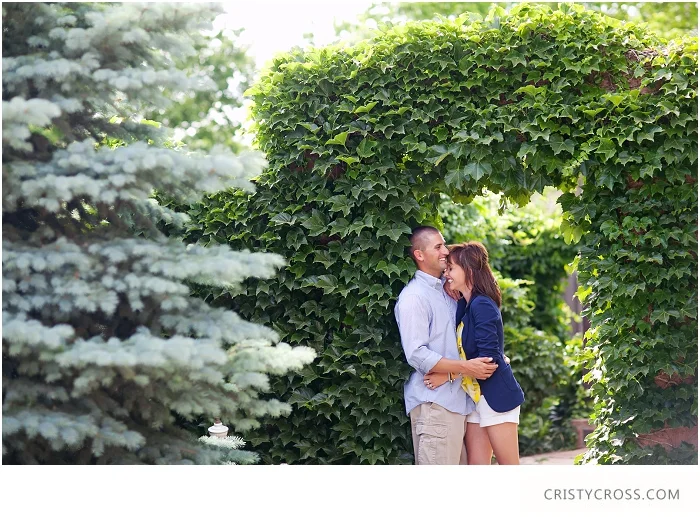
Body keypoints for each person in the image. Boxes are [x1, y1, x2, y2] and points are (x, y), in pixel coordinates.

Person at [394, 226, 498, 465]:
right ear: (419, 255)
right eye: (438, 247)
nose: (446, 251)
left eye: (445, 244)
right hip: (435, 406)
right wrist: (464, 368)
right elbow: (417, 354)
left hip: (461, 404)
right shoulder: (414, 297)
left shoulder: (450, 292)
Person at [424, 241, 525, 465]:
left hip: (497, 398)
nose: (446, 273)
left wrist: (448, 374)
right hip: (476, 399)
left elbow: (488, 363)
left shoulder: (482, 305)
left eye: (451, 268)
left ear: (468, 270)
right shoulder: (465, 306)